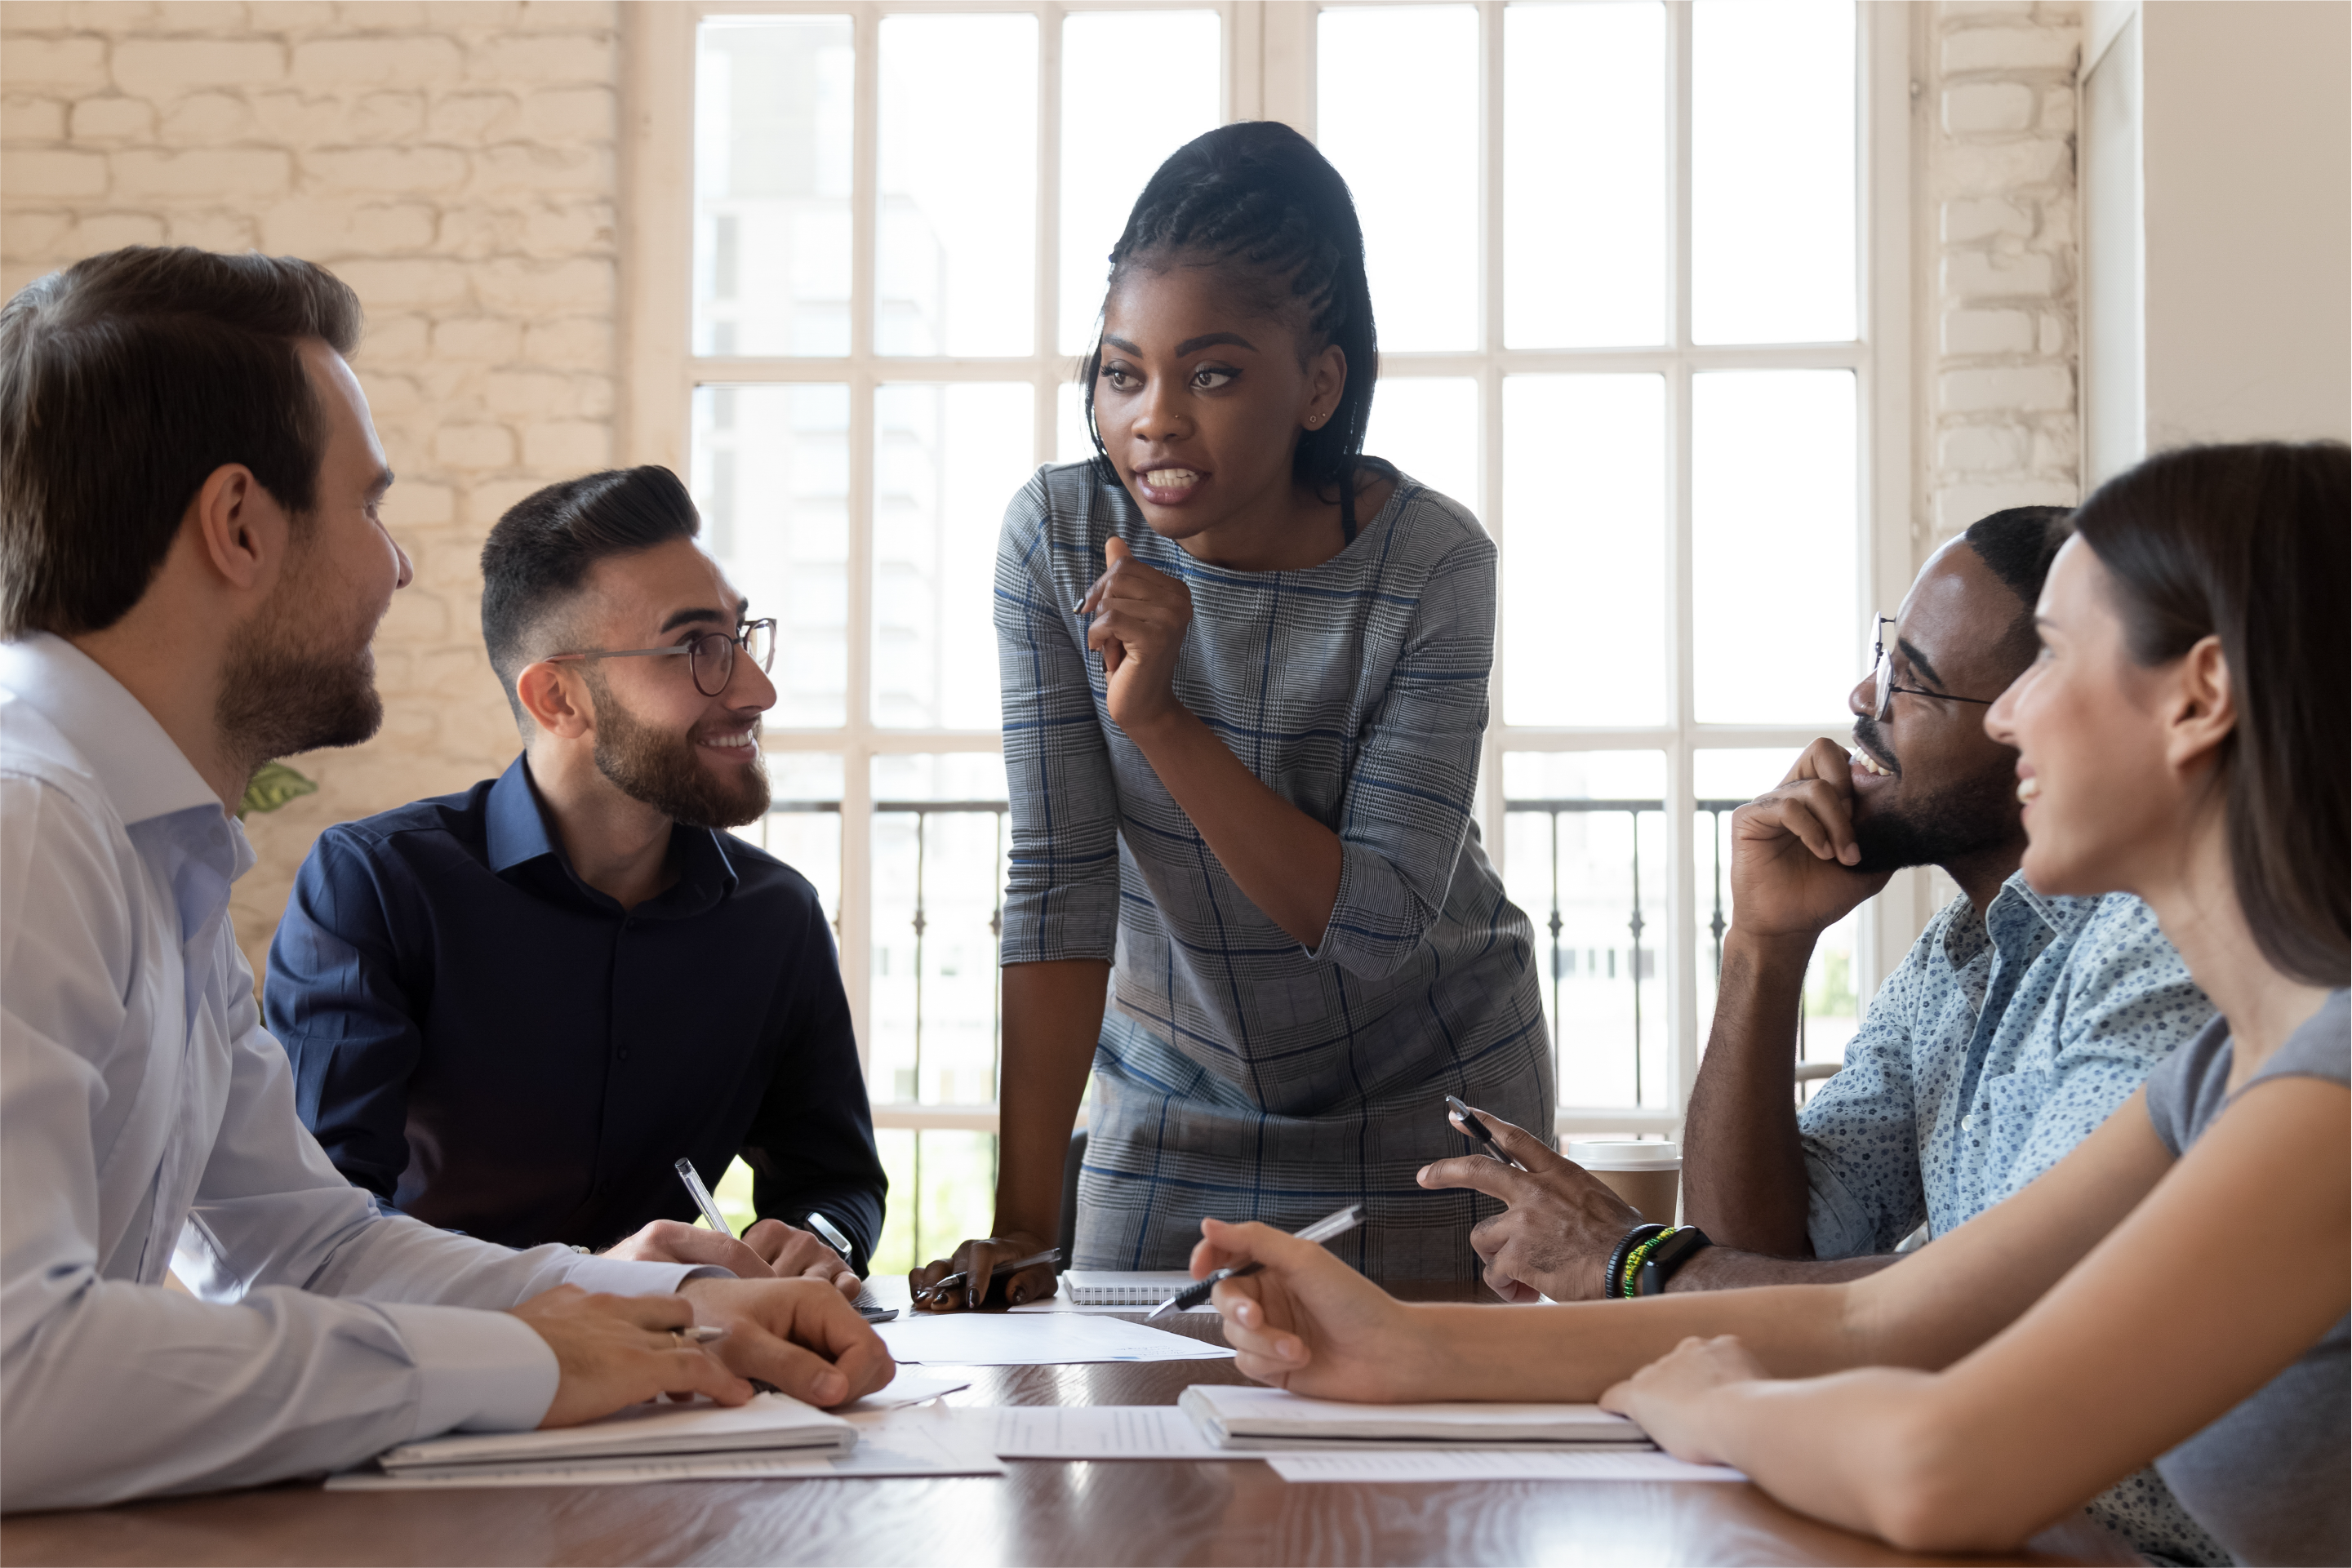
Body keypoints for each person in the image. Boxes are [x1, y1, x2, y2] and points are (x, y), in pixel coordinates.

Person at [1194, 441, 2348, 1566]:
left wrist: (1713, 1400)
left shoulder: (2328, 1095)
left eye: (2049, 656)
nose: (2008, 717)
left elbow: (1939, 1462)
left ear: (2199, 698)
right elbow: (1883, 1318)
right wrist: (1397, 1343)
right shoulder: (2228, 1078)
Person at [0, 247, 891, 1515]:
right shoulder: (28, 827)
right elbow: (15, 1378)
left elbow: (303, 1245)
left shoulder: (147, 847)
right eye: (368, 507)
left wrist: (678, 1301)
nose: (397, 567)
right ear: (240, 526)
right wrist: (530, 1355)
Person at [909, 121, 1551, 1307]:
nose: (1154, 416)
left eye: (1211, 373)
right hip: (1170, 1098)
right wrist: (1018, 1220)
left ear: (1319, 383)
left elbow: (1370, 925)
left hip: (1433, 1097)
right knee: (1132, 1460)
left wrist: (1160, 720)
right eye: (1121, 371)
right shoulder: (1052, 538)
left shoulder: (1430, 562)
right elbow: (1058, 877)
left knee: (1410, 1481)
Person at [265, 467, 886, 1293]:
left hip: (686, 1390)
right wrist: (583, 1282)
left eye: (740, 636)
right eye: (697, 647)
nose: (756, 689)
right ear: (559, 697)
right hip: (441, 1380)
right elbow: (322, 1222)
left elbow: (834, 1180)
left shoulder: (777, 917)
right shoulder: (376, 887)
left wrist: (818, 1237)